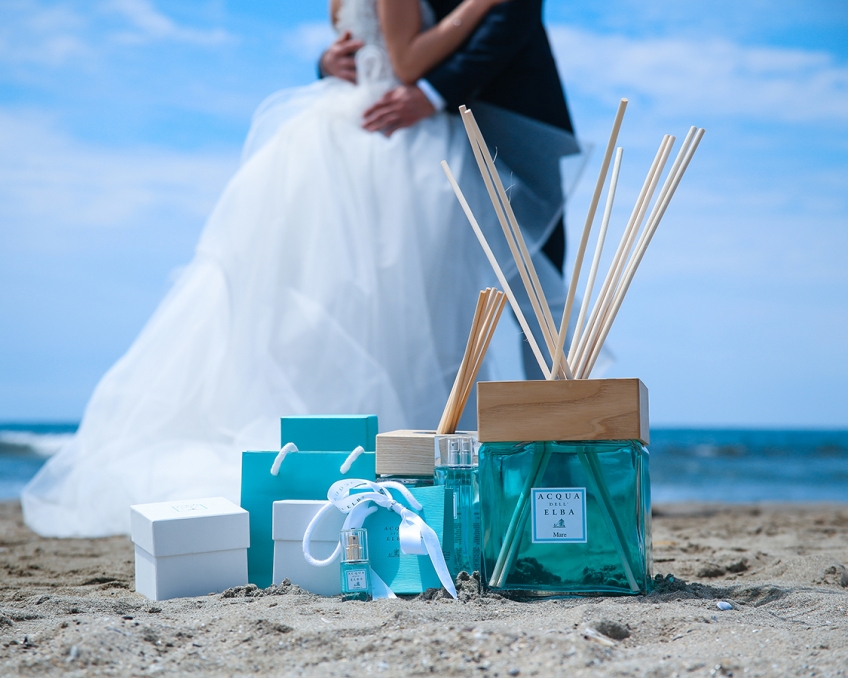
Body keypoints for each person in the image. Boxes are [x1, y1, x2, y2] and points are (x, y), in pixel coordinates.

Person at [21, 0, 534, 538]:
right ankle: (393, 462)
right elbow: (404, 63)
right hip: (385, 139)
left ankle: (342, 457)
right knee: (393, 308)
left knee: (330, 305)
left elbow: (363, 42)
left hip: (344, 129)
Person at [323, 0, 579, 379]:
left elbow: (512, 17)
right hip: (399, 138)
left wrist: (434, 92)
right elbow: (372, 37)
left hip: (511, 130)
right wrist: (329, 63)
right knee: (411, 292)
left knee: (538, 289)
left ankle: (556, 419)